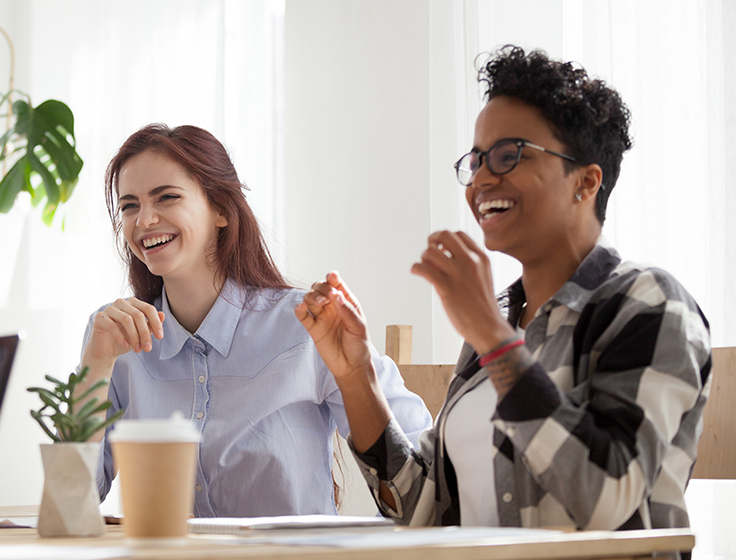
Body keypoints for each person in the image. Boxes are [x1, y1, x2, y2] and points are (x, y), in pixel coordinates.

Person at [296, 45, 711, 535]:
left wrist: (495, 339)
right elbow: (422, 507)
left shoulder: (648, 304)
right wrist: (355, 373)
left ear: (586, 182)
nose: (482, 179)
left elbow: (605, 500)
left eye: (509, 155)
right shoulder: (499, 317)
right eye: (476, 160)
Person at [78, 124, 432, 518]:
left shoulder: (308, 326)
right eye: (129, 205)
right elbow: (72, 502)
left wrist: (358, 372)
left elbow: (422, 481)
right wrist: (94, 369)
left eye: (167, 197)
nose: (144, 220)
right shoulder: (116, 341)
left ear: (222, 211)